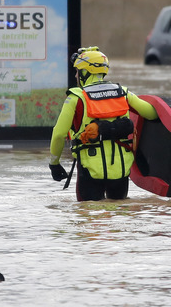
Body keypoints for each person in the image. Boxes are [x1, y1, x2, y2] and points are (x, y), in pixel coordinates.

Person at [48, 46, 159, 201]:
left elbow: (58, 134)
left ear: (85, 72)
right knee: (119, 214)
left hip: (89, 171)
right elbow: (152, 114)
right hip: (120, 171)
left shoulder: (76, 98)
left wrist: (54, 163)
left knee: (88, 217)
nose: (76, 75)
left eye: (78, 71)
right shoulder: (123, 93)